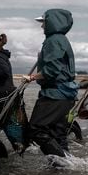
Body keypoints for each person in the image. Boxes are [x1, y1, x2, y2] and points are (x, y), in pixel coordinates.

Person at [27, 9, 78, 158]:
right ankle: (64, 171)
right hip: (65, 95)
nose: (42, 26)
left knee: (36, 129)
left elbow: (52, 69)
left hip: (55, 94)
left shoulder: (54, 40)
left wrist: (34, 77)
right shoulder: (61, 39)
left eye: (44, 22)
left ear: (52, 22)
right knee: (58, 134)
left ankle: (63, 162)